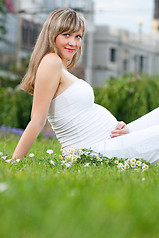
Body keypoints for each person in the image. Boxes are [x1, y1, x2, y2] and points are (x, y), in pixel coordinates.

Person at [12, 8, 159, 164]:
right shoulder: (51, 62)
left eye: (78, 36)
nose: (73, 43)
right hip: (93, 151)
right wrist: (14, 161)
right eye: (66, 35)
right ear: (52, 35)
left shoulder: (61, 68)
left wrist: (117, 127)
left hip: (109, 142)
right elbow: (37, 120)